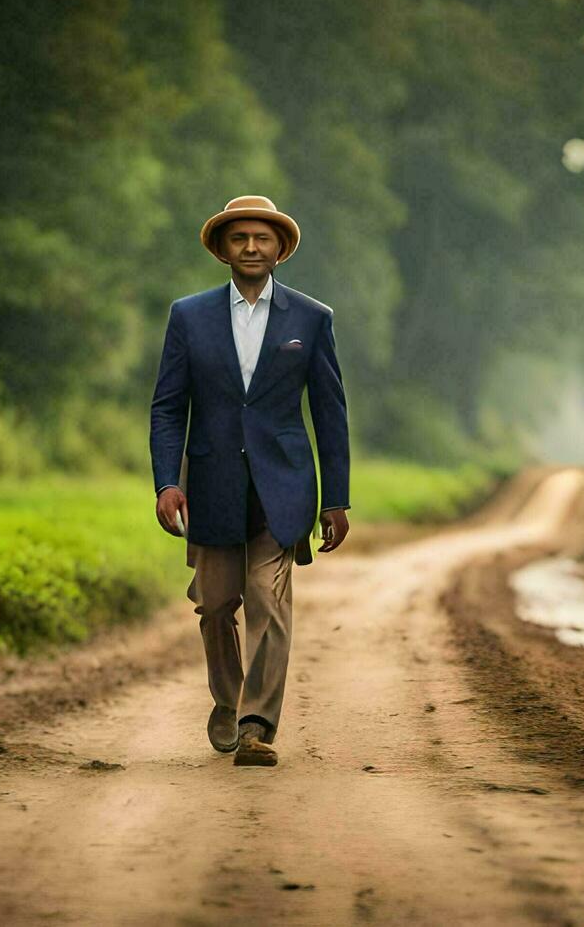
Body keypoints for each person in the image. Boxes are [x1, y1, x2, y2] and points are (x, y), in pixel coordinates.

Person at [149, 194, 351, 767]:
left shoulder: (312, 319)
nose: (252, 248)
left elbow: (330, 413)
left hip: (283, 487)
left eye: (262, 239)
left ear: (280, 249)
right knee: (215, 605)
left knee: (269, 600)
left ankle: (257, 723)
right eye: (240, 239)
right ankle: (228, 698)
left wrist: (336, 499)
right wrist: (167, 481)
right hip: (211, 481)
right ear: (222, 250)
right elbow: (168, 407)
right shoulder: (188, 316)